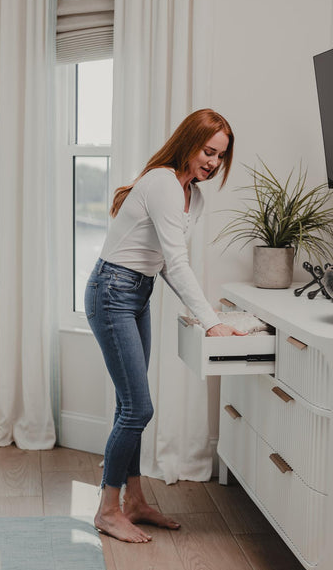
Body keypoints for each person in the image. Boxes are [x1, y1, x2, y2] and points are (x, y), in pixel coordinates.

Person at [85, 108, 246, 543]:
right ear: (189, 142)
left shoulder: (193, 195)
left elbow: (171, 268)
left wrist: (208, 317)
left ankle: (133, 503)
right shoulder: (161, 183)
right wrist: (212, 323)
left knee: (129, 406)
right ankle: (107, 509)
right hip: (112, 290)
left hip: (137, 292)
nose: (212, 162)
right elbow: (176, 260)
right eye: (207, 151)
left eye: (220, 156)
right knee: (139, 409)